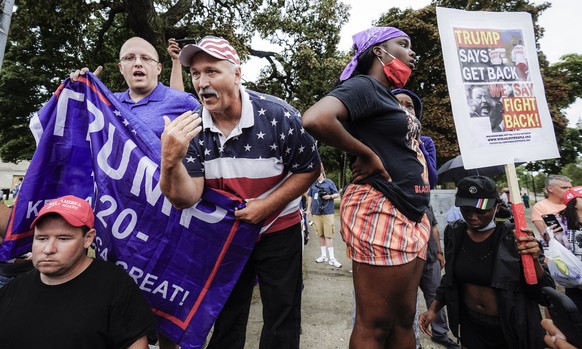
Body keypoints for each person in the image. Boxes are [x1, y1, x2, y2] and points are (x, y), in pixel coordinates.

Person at [159, 35, 321, 349]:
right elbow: (186, 197)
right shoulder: (191, 128)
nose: (202, 81)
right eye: (195, 74)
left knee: (282, 314)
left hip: (278, 230)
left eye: (211, 71)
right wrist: (169, 161)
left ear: (236, 73)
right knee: (226, 314)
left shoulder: (279, 115)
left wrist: (267, 205)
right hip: (225, 235)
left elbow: (309, 169)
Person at [303, 26, 430, 348]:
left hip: (411, 212)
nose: (412, 52)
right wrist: (367, 154)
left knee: (404, 319)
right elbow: (315, 119)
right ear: (379, 51)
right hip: (381, 208)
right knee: (375, 323)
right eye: (404, 44)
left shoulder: (386, 96)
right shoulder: (365, 86)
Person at [69, 36, 200, 349]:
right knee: (118, 302)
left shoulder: (182, 102)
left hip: (166, 221)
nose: (137, 63)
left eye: (144, 58)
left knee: (167, 310)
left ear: (156, 67)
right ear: (121, 67)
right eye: (129, 58)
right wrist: (78, 94)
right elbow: (67, 136)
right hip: (115, 223)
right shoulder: (105, 104)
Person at [0, 195, 155, 348]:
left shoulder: (115, 287)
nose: (48, 249)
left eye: (63, 239)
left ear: (88, 238)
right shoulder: (13, 289)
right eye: (41, 238)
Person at [419, 176, 555, 349]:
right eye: (466, 210)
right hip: (471, 328)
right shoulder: (455, 232)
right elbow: (450, 279)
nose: (473, 217)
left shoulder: (516, 237)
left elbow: (543, 294)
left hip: (512, 329)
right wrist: (433, 310)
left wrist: (533, 259)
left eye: (481, 211)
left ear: (496, 206)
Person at [392, 88, 458, 348]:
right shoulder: (382, 137)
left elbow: (431, 178)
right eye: (399, 103)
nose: (405, 107)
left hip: (422, 218)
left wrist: (416, 144)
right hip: (396, 220)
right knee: (401, 295)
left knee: (433, 290)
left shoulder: (426, 142)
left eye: (409, 105)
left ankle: (440, 333)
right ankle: (409, 338)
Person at [547, 186, 582, 313]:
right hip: (575, 284)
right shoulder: (561, 224)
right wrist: (549, 238)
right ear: (574, 203)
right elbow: (555, 253)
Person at [307, 165, 341, 268]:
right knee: (320, 235)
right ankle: (323, 255)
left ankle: (332, 258)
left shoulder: (329, 182)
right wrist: (308, 209)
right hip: (316, 213)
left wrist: (329, 196)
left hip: (327, 212)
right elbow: (310, 197)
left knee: (328, 235)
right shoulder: (313, 184)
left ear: (322, 172)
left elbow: (337, 194)